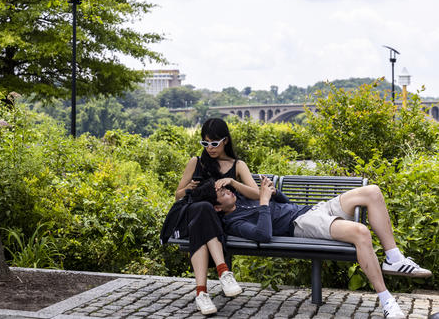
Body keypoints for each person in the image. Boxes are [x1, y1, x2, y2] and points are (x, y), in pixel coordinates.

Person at [208, 176, 432, 319]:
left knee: (372, 191)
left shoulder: (244, 199)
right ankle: (387, 302)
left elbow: (284, 204)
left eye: (228, 189)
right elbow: (263, 235)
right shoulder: (233, 222)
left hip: (313, 210)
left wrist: (273, 193)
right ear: (217, 208)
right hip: (302, 224)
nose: (229, 192)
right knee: (360, 232)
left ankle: (394, 257)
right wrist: (264, 201)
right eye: (223, 193)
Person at [173, 118, 259, 315]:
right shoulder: (196, 162)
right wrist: (188, 188)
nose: (209, 148)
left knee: (204, 216)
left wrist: (233, 182)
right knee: (202, 208)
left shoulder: (237, 165)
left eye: (214, 143)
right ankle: (223, 272)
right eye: (205, 143)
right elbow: (178, 195)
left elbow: (256, 193)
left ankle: (201, 294)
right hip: (193, 217)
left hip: (217, 222)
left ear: (225, 141)